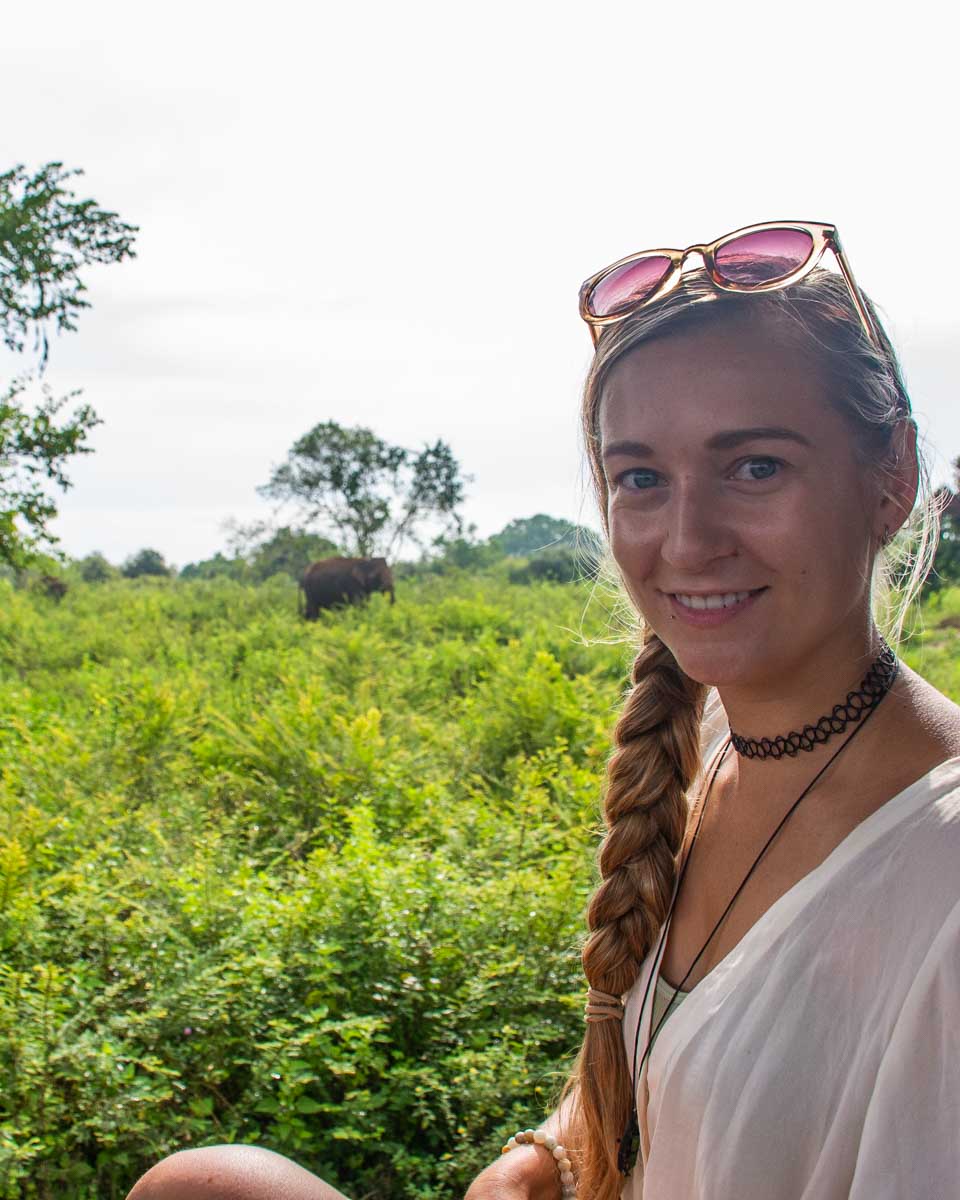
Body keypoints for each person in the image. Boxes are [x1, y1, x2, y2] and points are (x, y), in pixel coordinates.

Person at [126, 222, 960, 1199]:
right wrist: (547, 1157)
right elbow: (668, 1073)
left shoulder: (936, 881)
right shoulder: (716, 750)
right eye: (641, 478)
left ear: (892, 476)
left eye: (756, 467)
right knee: (202, 1182)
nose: (685, 542)